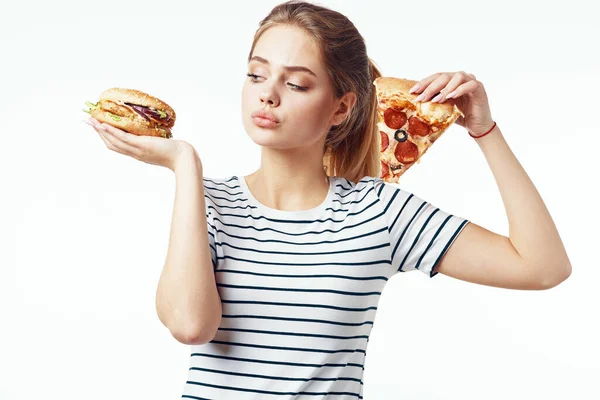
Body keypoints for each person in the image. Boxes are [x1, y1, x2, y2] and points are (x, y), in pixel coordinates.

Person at [85, 1, 572, 398]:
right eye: (256, 75)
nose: (268, 95)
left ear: (341, 107)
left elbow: (542, 266)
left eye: (295, 83)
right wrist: (185, 166)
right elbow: (191, 326)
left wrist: (484, 129)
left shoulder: (378, 211)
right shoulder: (204, 202)